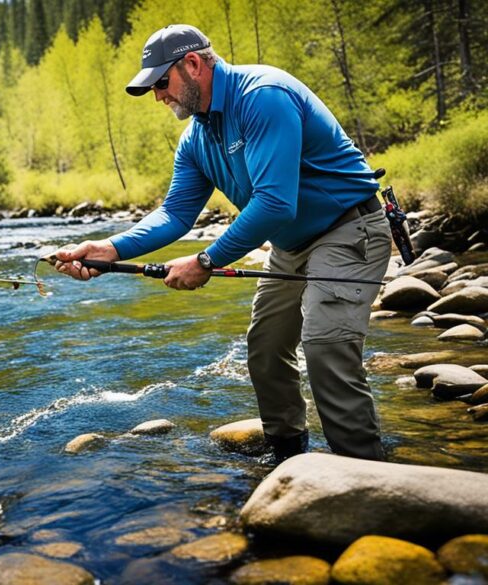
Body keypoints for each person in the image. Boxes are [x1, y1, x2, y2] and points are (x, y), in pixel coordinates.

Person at [52, 24, 392, 462]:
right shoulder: (195, 138)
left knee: (325, 345)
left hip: (350, 230)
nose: (158, 96)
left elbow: (274, 204)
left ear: (193, 65)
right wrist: (109, 249)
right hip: (291, 247)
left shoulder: (263, 95)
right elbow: (175, 214)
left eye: (161, 82)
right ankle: (287, 456)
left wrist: (206, 260)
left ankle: (363, 469)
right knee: (266, 348)